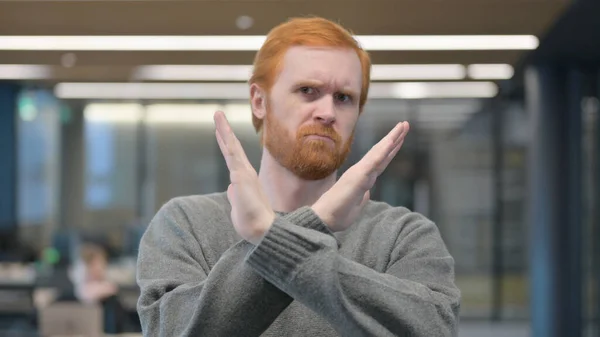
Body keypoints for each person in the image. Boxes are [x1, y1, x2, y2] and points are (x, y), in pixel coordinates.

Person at [136, 16, 460, 337]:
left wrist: (267, 233)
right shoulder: (187, 224)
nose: (328, 113)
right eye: (307, 90)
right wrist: (318, 220)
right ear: (259, 102)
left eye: (344, 98)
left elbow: (433, 328)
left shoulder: (402, 235)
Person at [57, 242, 133, 334]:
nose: (100, 268)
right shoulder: (77, 289)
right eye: (96, 264)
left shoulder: (107, 287)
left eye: (102, 264)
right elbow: (84, 294)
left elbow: (110, 289)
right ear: (86, 266)